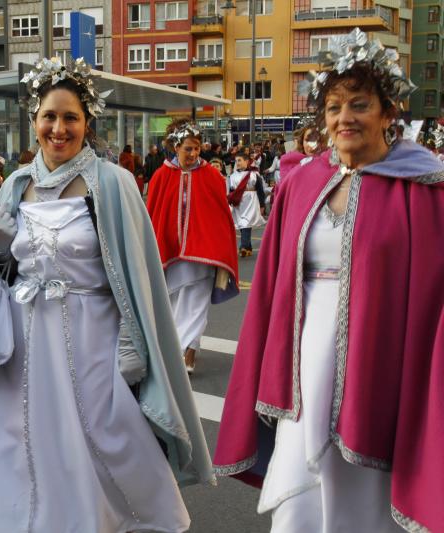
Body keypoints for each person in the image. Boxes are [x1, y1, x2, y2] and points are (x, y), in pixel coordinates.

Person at [0, 57, 214, 533]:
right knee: (26, 437)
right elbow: (2, 271)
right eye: (49, 117)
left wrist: (131, 343)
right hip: (24, 341)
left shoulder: (113, 184)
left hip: (93, 335)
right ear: (34, 121)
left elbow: (136, 274)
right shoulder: (15, 185)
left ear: (87, 122)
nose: (59, 128)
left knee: (105, 433)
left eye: (70, 117)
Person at [214, 28, 444, 532]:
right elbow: (273, 286)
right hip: (302, 356)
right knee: (299, 497)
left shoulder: (426, 188)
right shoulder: (303, 182)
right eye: (334, 106)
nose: (344, 118)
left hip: (382, 362)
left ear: (388, 112)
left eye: (359, 104)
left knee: (362, 495)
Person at [147, 120, 240, 374]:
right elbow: (154, 215)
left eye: (197, 149)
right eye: (188, 149)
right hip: (172, 255)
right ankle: (180, 349)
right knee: (175, 304)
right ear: (176, 147)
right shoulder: (161, 176)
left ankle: (189, 351)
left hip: (204, 255)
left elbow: (221, 216)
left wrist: (220, 247)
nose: (194, 154)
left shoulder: (211, 175)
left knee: (197, 305)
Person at [227, 154, 266, 257]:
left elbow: (260, 190)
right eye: (236, 161)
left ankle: (243, 247)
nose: (238, 163)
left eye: (240, 160)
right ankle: (248, 247)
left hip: (251, 201)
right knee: (241, 223)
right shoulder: (232, 176)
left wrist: (262, 205)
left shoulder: (254, 174)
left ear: (246, 161)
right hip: (239, 203)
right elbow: (231, 191)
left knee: (246, 223)